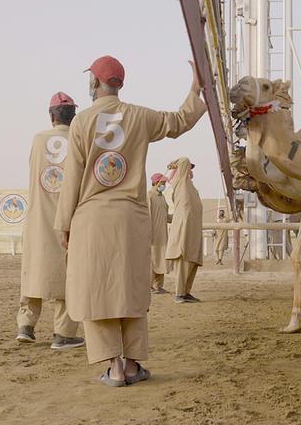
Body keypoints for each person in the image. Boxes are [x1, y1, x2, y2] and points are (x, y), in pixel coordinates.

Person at [54, 55, 206, 387]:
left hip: (92, 217)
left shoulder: (81, 123)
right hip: (131, 217)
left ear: (94, 82)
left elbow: (72, 179)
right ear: (121, 84)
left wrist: (63, 224)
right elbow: (178, 121)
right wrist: (195, 89)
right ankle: (134, 365)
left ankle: (114, 368)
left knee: (96, 290)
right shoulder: (139, 116)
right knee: (131, 289)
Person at [15, 92, 84, 350]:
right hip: (68, 219)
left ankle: (26, 325)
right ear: (73, 115)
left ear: (51, 115)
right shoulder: (80, 139)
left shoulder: (37, 139)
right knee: (68, 275)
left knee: (34, 270)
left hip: (37, 217)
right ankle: (63, 333)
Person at [165, 157, 203, 304]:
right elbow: (184, 160)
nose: (190, 170)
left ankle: (186, 292)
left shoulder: (192, 187)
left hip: (193, 229)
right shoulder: (181, 183)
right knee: (184, 259)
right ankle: (179, 293)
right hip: (184, 229)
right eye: (188, 168)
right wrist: (174, 164)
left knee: (192, 260)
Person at [149, 173, 172, 294]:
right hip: (153, 236)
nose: (164, 185)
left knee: (162, 260)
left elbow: (166, 216)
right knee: (153, 260)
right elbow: (146, 217)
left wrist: (177, 216)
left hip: (163, 235)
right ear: (157, 183)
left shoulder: (162, 198)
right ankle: (150, 286)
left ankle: (158, 286)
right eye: (163, 183)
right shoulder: (149, 196)